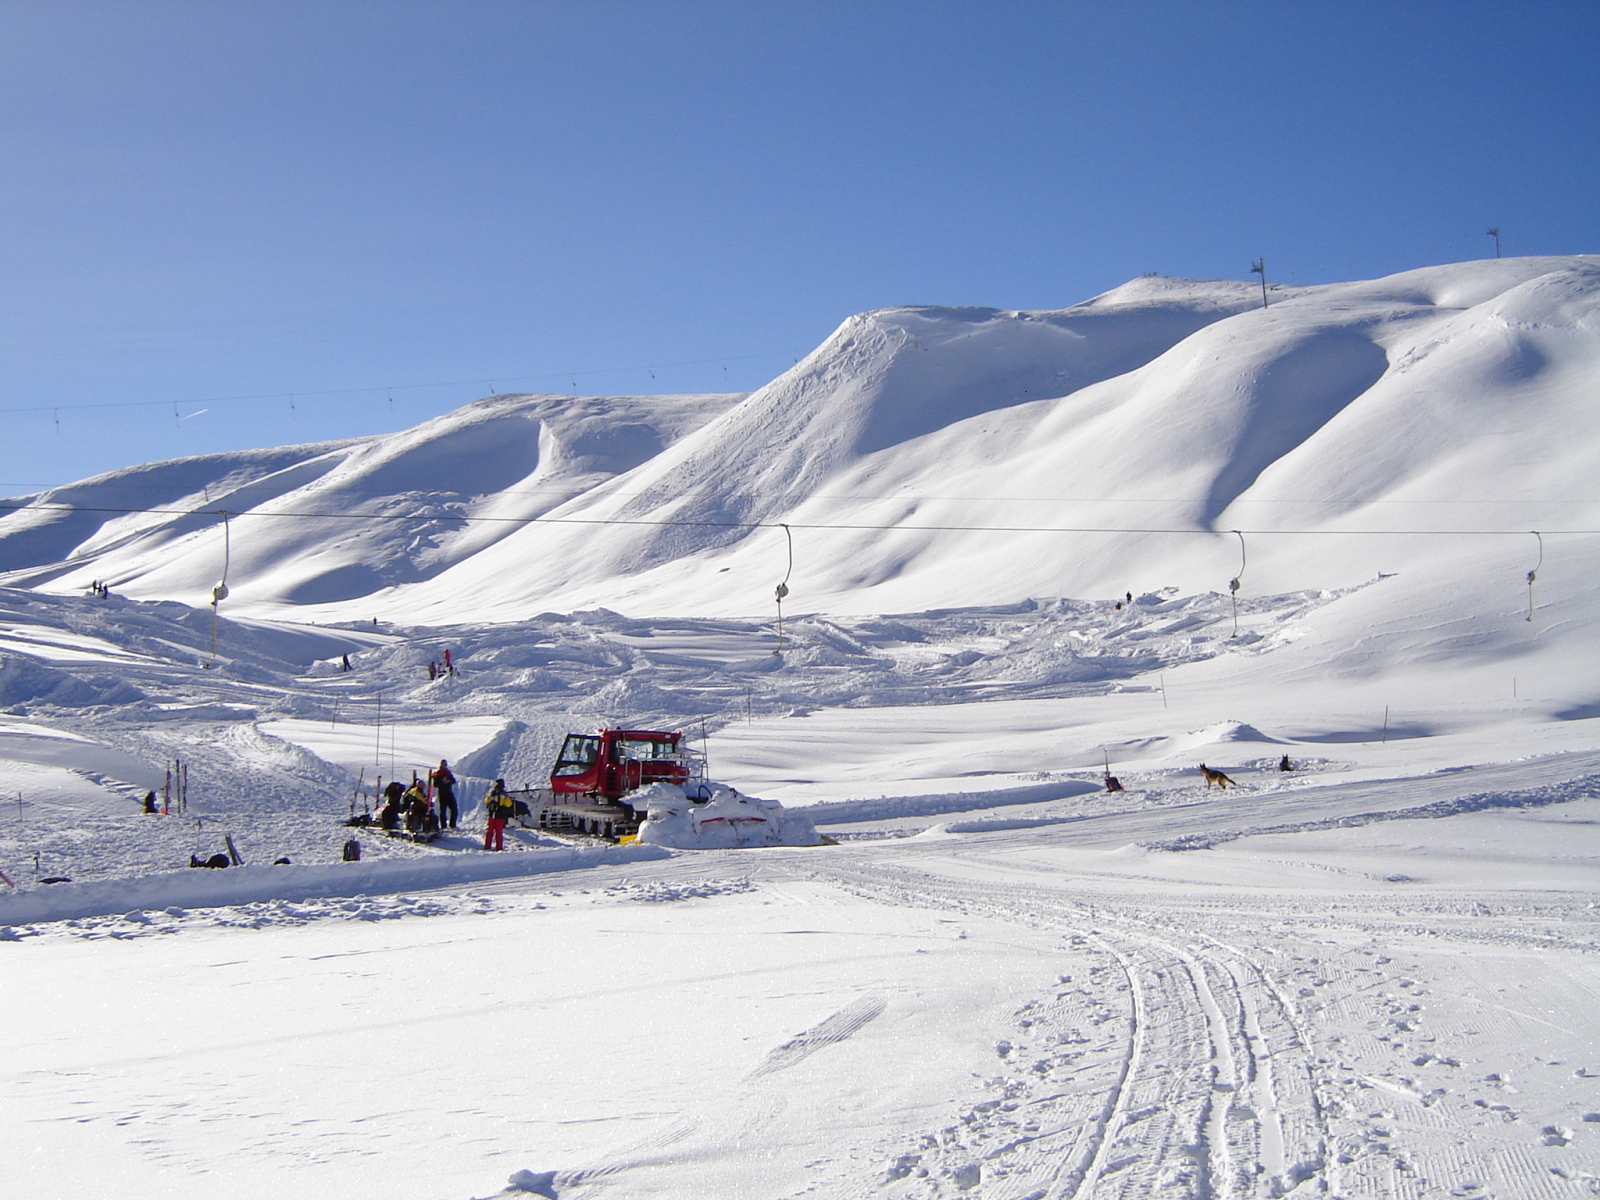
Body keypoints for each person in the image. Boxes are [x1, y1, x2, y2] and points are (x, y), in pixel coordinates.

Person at [484, 779, 514, 851]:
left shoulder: (491, 793)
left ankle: (487, 846)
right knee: (498, 832)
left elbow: (486, 801)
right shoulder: (503, 794)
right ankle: (499, 847)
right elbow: (508, 804)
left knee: (490, 831)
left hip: (491, 815)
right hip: (500, 816)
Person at [431, 759, 458, 829]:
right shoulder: (438, 774)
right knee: (443, 810)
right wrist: (442, 782)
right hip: (442, 793)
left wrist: (448, 781)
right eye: (444, 764)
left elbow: (453, 781)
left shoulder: (448, 772)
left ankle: (453, 825)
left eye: (446, 764)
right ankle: (443, 825)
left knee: (454, 809)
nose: (445, 766)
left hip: (449, 792)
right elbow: (435, 784)